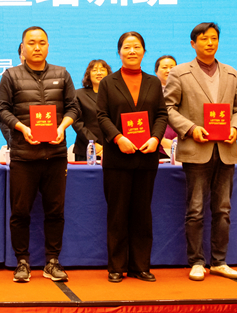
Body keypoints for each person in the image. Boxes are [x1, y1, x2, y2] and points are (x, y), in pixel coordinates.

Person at [0, 26, 79, 283]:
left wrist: (62, 127)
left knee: (55, 211)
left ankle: (52, 261)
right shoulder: (11, 75)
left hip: (55, 155)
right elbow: (1, 109)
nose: (37, 47)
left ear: (48, 46)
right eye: (31, 43)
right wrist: (22, 128)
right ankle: (22, 261)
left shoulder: (62, 74)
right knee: (20, 212)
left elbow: (74, 107)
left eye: (42, 42)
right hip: (24, 156)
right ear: (23, 47)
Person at [164, 22, 237, 281]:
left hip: (225, 149)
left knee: (223, 209)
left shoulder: (231, 73)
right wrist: (190, 129)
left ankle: (219, 261)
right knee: (196, 209)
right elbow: (168, 108)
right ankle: (197, 261)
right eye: (203, 39)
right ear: (193, 43)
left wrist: (236, 128)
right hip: (196, 149)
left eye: (214, 38)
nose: (210, 43)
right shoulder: (179, 73)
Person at [96, 32, 168, 283]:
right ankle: (116, 266)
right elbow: (102, 116)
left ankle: (140, 266)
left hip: (146, 157)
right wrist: (118, 138)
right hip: (118, 158)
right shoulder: (108, 82)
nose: (132, 51)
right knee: (117, 214)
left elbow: (161, 114)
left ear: (144, 52)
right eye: (127, 47)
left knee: (142, 214)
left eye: (137, 47)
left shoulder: (153, 82)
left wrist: (156, 138)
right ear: (119, 52)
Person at [71, 60, 111, 162]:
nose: (99, 73)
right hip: (86, 149)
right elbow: (77, 122)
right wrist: (93, 143)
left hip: (112, 148)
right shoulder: (78, 95)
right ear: (89, 74)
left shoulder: (116, 95)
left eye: (102, 70)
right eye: (95, 70)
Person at [155, 55, 179, 150]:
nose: (168, 70)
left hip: (182, 140)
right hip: (156, 142)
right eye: (164, 67)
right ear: (156, 71)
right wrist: (162, 140)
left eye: (172, 67)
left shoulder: (186, 90)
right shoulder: (149, 91)